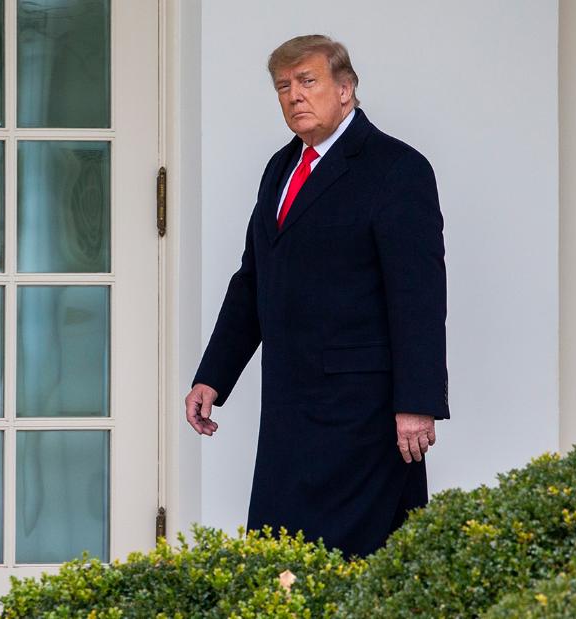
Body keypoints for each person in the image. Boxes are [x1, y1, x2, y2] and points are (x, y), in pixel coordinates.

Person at [184, 34, 448, 558]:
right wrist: (213, 376)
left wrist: (417, 404)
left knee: (360, 559)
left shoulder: (397, 168)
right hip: (289, 408)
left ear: (346, 89)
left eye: (307, 81)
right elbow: (253, 280)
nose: (294, 96)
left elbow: (418, 296)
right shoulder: (281, 168)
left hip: (365, 413)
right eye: (283, 87)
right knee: (281, 559)